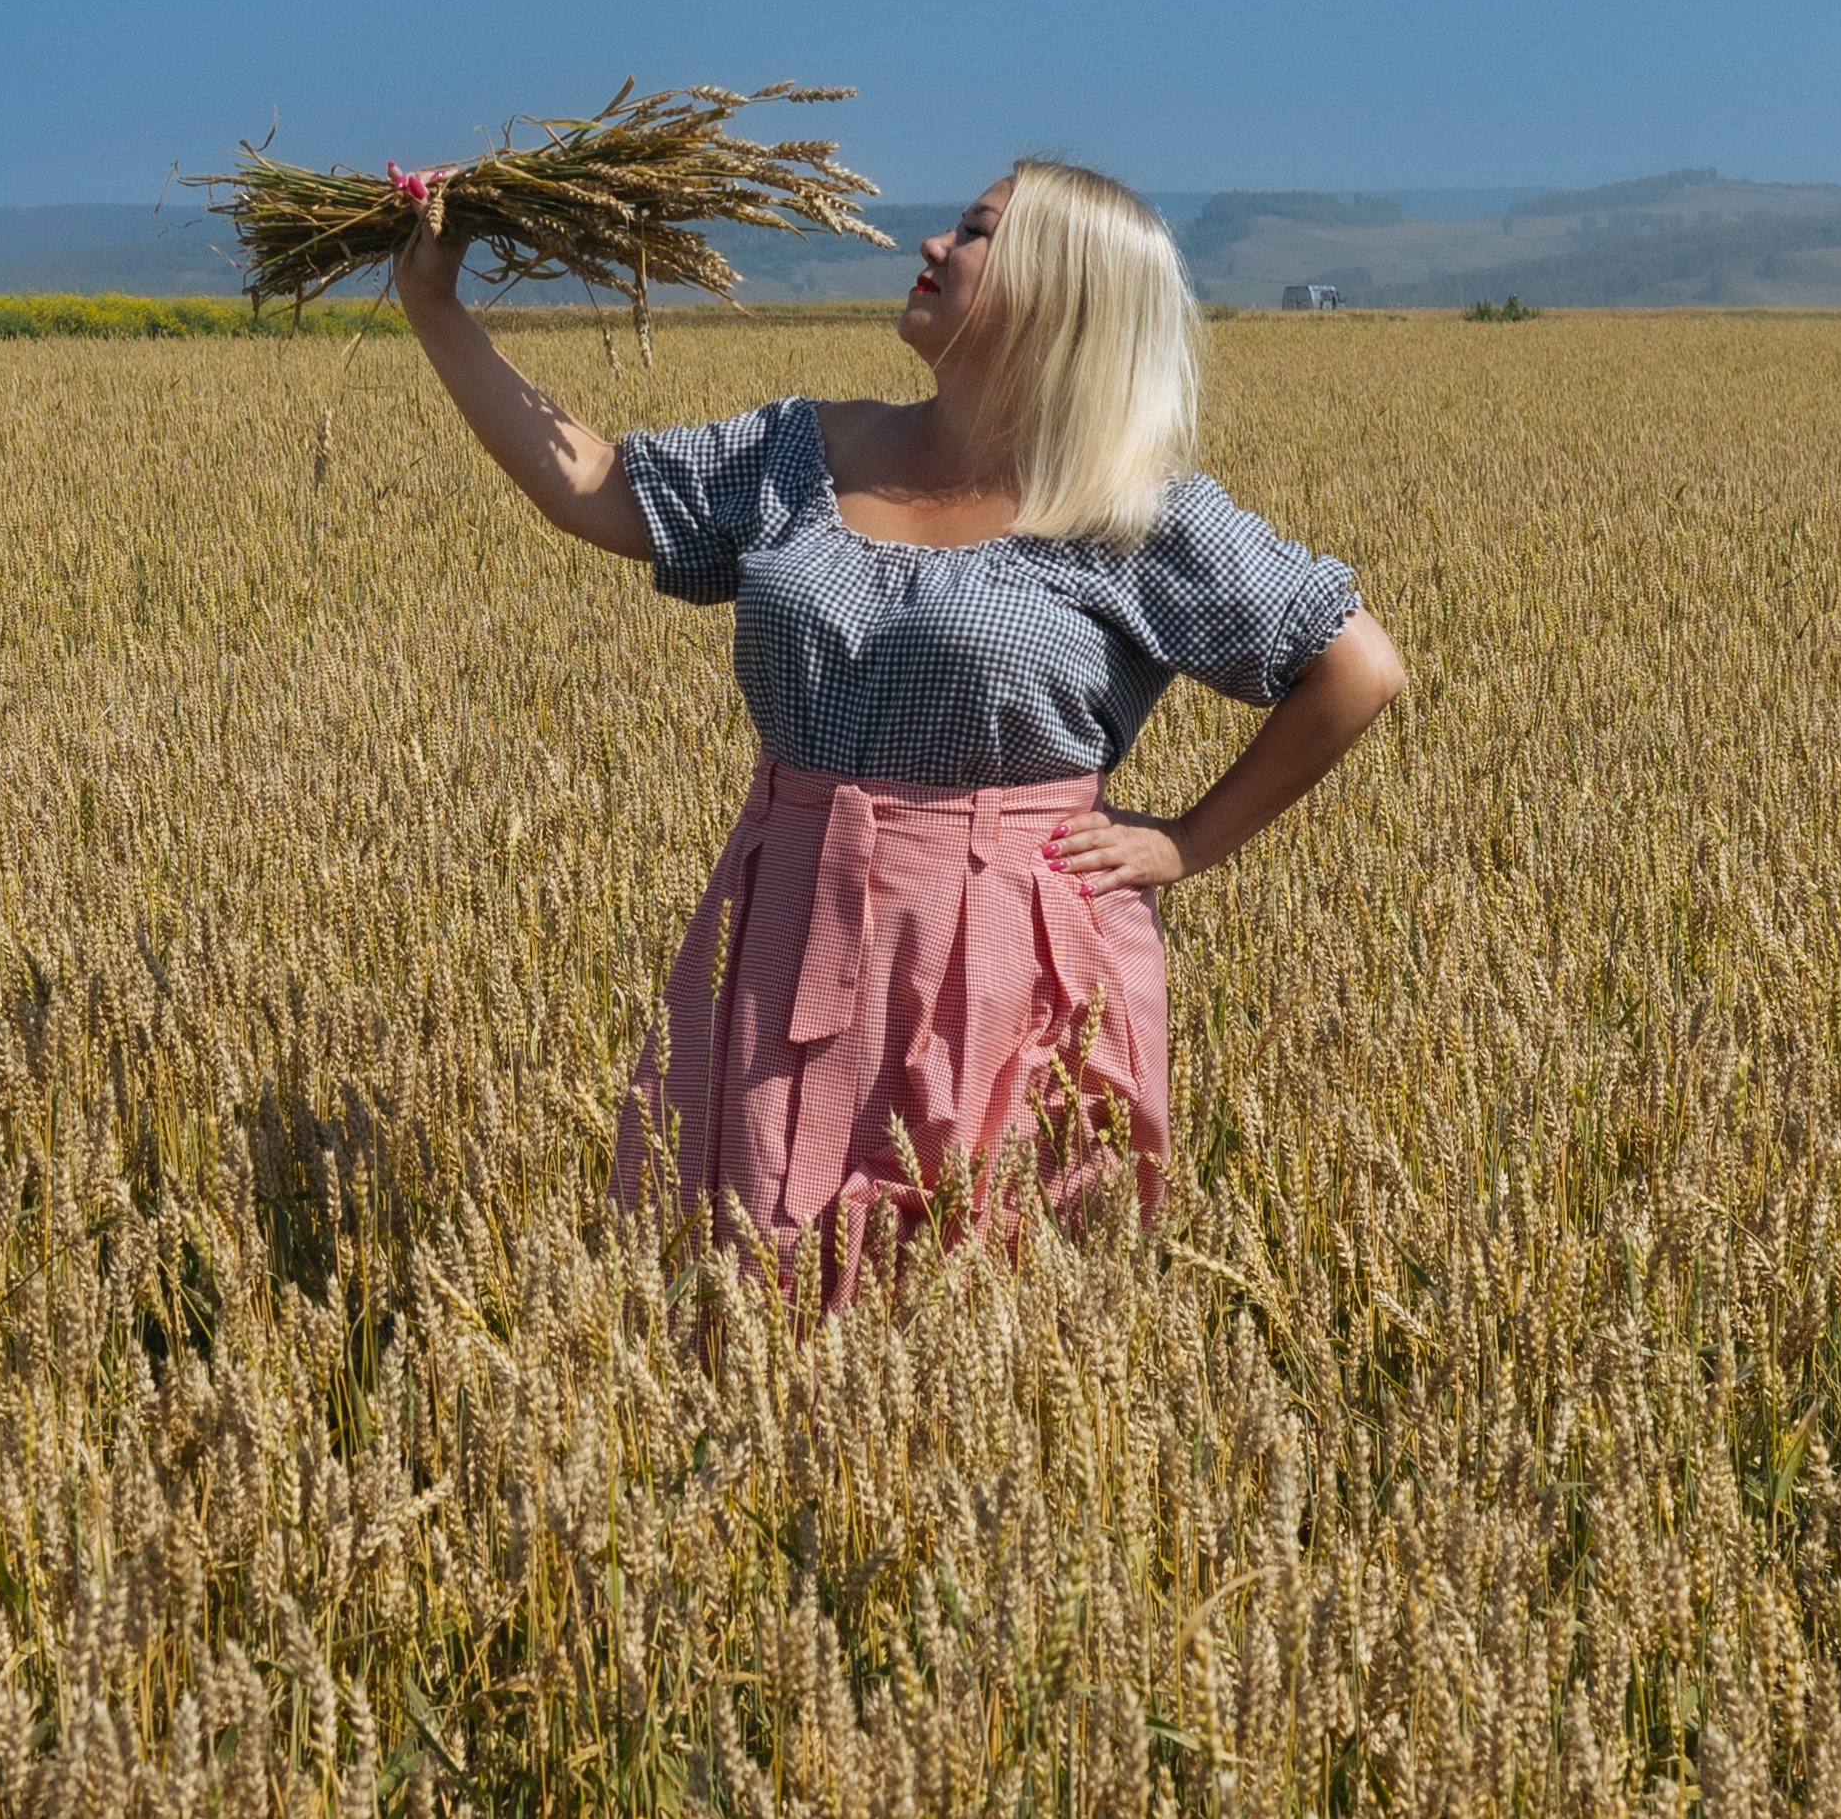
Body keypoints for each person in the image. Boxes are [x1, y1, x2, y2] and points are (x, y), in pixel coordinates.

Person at [396, 160, 1404, 1295]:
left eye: (975, 232)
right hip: (787, 914)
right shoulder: (804, 452)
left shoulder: (1129, 506)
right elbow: (601, 486)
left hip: (1012, 946)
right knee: (753, 1271)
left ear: (1060, 287)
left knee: (979, 1288)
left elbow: (1356, 666)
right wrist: (434, 303)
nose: (932, 243)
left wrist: (1188, 840)